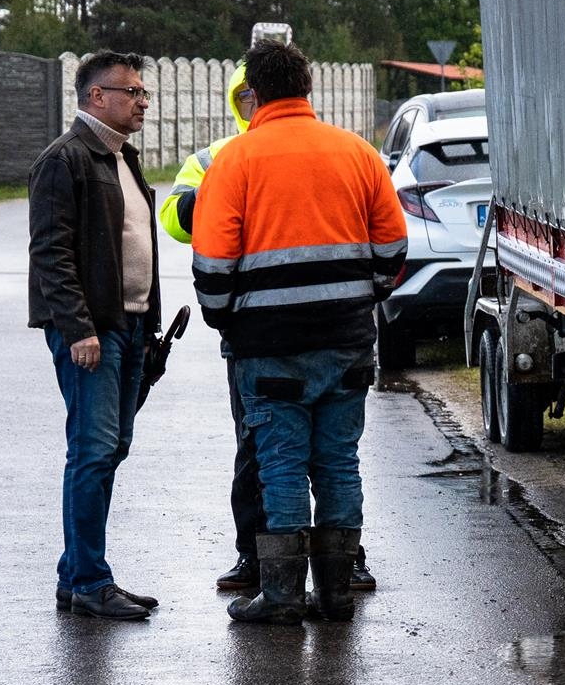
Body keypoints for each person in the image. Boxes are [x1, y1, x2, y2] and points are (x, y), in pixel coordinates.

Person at [191, 39, 407, 624]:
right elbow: (392, 249)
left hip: (268, 346)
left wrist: (228, 317)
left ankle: (283, 596)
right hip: (347, 340)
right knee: (338, 462)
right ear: (308, 89)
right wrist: (361, 298)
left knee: (281, 462)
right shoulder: (357, 153)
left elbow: (211, 268)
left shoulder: (234, 161)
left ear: (252, 94)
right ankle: (336, 594)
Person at [29, 51, 165, 622]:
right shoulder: (66, 159)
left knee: (112, 448)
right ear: (95, 97)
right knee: (91, 452)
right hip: (94, 333)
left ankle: (76, 573)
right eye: (131, 91)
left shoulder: (120, 157)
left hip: (130, 327)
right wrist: (78, 327)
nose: (141, 102)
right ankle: (89, 580)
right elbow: (51, 253)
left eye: (143, 92)